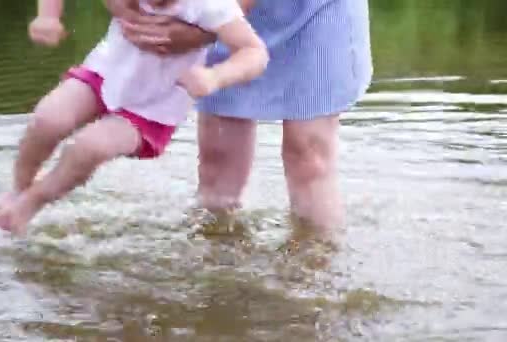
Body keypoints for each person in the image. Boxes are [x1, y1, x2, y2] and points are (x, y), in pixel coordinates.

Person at [0, 0, 269, 235]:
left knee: (88, 148)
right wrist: (48, 16)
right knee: (47, 118)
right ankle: (18, 189)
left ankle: (30, 204)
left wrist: (216, 76)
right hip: (105, 73)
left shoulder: (210, 5)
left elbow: (254, 51)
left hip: (152, 107)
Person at [113, 0, 373, 237]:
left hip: (313, 11)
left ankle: (315, 273)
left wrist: (206, 28)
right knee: (218, 158)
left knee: (309, 155)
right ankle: (218, 271)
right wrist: (134, 15)